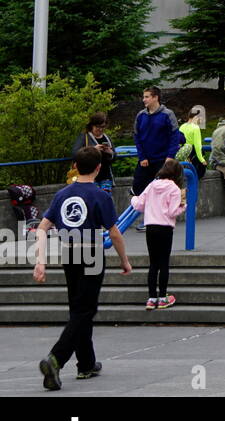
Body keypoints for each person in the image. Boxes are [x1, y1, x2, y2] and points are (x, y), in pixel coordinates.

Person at [34, 147, 131, 390]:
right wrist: (124, 260)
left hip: (69, 252)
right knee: (86, 309)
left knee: (79, 307)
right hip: (91, 251)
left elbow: (42, 228)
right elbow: (114, 232)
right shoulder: (100, 195)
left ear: (75, 166)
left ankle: (86, 363)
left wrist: (40, 261)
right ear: (99, 168)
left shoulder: (62, 194)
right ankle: (56, 358)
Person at [129, 158, 186, 310]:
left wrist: (133, 198)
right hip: (165, 228)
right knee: (164, 263)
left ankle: (151, 298)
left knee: (153, 263)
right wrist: (183, 206)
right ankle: (162, 298)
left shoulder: (152, 185)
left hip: (151, 227)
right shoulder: (174, 189)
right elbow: (173, 212)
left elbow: (139, 204)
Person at [132, 87, 183, 231]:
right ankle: (148, 217)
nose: (144, 100)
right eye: (144, 97)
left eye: (147, 97)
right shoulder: (141, 115)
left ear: (155, 98)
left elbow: (175, 136)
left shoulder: (167, 114)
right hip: (146, 159)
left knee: (161, 189)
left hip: (162, 159)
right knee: (138, 186)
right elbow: (136, 136)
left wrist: (170, 157)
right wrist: (142, 156)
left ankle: (158, 219)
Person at [72, 113, 115, 192]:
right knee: (92, 199)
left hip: (105, 176)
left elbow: (114, 157)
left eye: (103, 127)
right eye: (98, 127)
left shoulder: (107, 138)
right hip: (89, 176)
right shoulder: (84, 137)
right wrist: (93, 149)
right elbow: (75, 154)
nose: (100, 129)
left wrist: (110, 153)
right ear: (92, 125)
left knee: (105, 199)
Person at [178, 105, 208, 179]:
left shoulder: (182, 126)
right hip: (192, 153)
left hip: (183, 152)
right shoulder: (195, 128)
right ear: (196, 117)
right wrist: (202, 160)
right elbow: (198, 146)